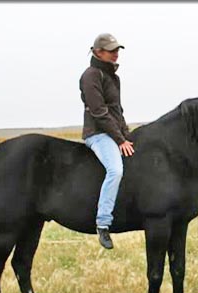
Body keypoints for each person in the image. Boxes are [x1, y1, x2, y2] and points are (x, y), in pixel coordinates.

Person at [79, 33, 134, 249]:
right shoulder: (90, 76)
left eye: (117, 49)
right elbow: (99, 112)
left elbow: (116, 110)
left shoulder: (113, 77)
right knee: (115, 170)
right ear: (98, 52)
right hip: (98, 134)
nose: (115, 53)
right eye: (111, 50)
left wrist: (126, 134)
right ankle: (103, 223)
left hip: (112, 131)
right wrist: (120, 140)